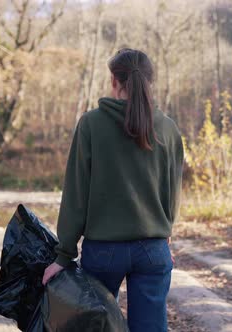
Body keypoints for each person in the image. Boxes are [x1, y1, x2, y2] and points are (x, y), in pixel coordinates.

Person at [42, 48, 184, 332]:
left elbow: (75, 195)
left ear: (113, 81)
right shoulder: (168, 129)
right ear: (149, 81)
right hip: (153, 250)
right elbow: (172, 193)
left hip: (104, 251)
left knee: (96, 327)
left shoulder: (91, 124)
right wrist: (165, 232)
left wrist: (63, 255)